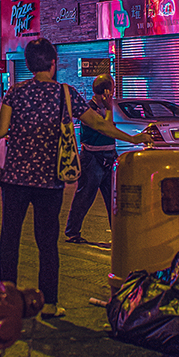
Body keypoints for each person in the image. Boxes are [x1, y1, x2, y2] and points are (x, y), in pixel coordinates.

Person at [0, 38, 150, 319]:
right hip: (49, 180)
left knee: (10, 238)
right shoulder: (65, 94)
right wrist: (132, 138)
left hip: (15, 178)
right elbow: (100, 124)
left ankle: (7, 302)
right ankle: (50, 304)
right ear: (53, 64)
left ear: (29, 65)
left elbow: (2, 130)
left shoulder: (14, 93)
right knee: (47, 242)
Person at [64, 74, 124, 245]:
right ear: (106, 91)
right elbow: (105, 128)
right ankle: (72, 232)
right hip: (92, 158)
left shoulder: (108, 107)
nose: (113, 93)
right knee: (84, 196)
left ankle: (118, 234)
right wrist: (109, 108)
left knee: (113, 198)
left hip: (109, 156)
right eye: (111, 89)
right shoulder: (89, 109)